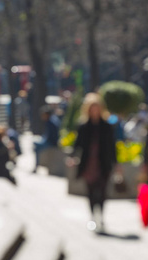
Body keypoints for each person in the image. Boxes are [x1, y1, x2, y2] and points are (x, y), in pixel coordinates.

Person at [69, 93, 117, 232]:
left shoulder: (107, 126)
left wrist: (116, 163)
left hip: (103, 163)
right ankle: (92, 217)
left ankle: (101, 216)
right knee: (90, 191)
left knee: (102, 191)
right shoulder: (84, 126)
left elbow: (112, 146)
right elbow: (77, 144)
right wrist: (72, 157)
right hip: (88, 163)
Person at [33, 105, 61, 173]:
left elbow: (50, 137)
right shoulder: (52, 119)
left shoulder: (51, 122)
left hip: (52, 143)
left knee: (36, 146)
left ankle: (36, 166)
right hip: (51, 141)